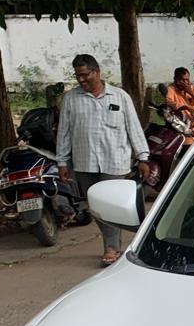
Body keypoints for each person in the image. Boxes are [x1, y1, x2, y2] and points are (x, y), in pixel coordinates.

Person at [56, 54, 151, 266]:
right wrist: (62, 162)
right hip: (84, 162)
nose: (81, 80)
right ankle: (114, 243)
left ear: (96, 71)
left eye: (85, 75)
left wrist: (143, 157)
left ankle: (112, 247)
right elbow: (64, 133)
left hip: (115, 161)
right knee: (96, 206)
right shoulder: (71, 99)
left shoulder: (119, 97)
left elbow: (133, 128)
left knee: (111, 205)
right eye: (77, 76)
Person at [164, 67, 194, 146]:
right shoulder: (170, 89)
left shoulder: (190, 88)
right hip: (185, 134)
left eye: (187, 80)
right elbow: (169, 102)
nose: (185, 82)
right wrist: (188, 108)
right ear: (175, 79)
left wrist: (192, 93)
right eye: (182, 80)